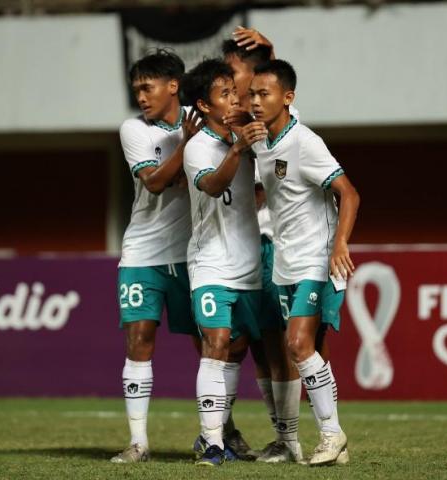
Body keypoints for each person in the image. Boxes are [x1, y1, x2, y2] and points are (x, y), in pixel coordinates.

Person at [249, 59, 360, 466]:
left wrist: (339, 245)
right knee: (311, 349)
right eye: (253, 94)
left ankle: (331, 435)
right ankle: (333, 440)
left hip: (318, 258)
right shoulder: (261, 143)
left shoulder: (306, 142)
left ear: (288, 98)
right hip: (286, 260)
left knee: (296, 343)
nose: (256, 101)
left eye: (265, 94)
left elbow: (349, 193)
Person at [111, 50, 202, 464]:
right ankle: (138, 442)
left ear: (172, 85)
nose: (141, 97)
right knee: (139, 341)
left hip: (193, 256)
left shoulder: (203, 117)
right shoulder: (134, 130)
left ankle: (217, 436)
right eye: (136, 90)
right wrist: (187, 144)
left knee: (212, 344)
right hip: (142, 253)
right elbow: (154, 183)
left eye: (147, 87)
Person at [180, 58, 268, 467]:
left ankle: (218, 435)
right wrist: (238, 147)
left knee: (237, 349)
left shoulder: (249, 133)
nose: (234, 98)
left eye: (234, 91)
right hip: (210, 262)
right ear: (205, 105)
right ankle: (213, 443)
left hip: (249, 261)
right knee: (215, 344)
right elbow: (213, 187)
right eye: (224, 94)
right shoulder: (197, 146)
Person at [222, 28, 304, 464]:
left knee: (281, 347)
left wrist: (271, 53)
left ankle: (292, 440)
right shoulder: (235, 124)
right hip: (243, 252)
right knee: (259, 349)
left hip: (274, 245)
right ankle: (281, 438)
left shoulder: (273, 124)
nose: (229, 81)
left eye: (233, 72)